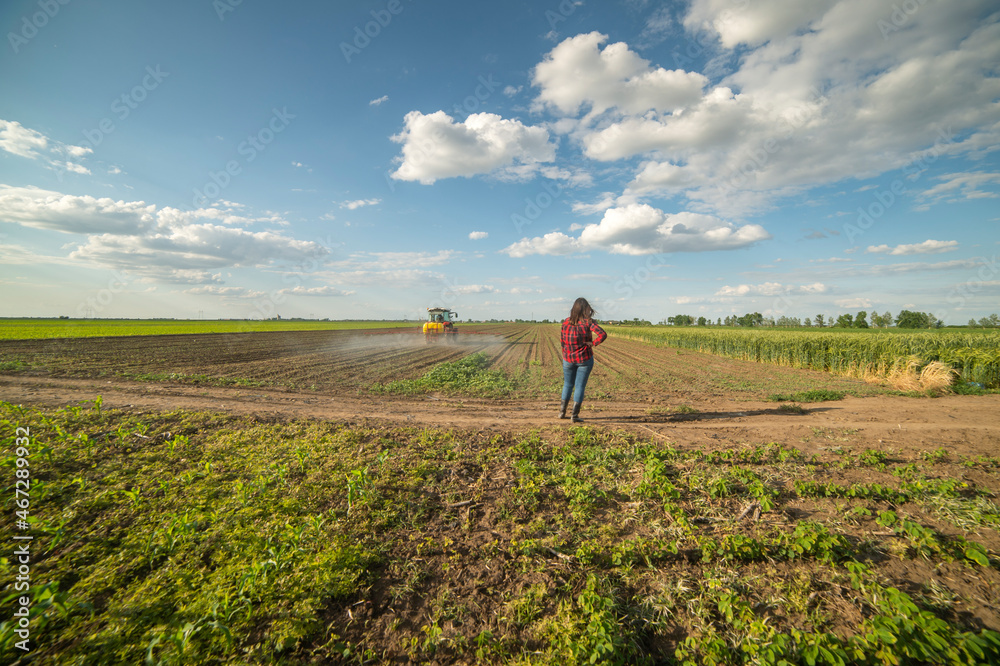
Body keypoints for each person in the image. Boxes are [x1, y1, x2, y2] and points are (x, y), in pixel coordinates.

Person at [559, 297, 607, 423]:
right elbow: (603, 334)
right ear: (586, 309)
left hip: (568, 358)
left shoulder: (566, 322)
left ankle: (562, 412)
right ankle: (574, 416)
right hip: (584, 359)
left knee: (567, 384)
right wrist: (593, 343)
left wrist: (566, 352)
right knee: (580, 386)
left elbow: (562, 341)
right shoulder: (588, 323)